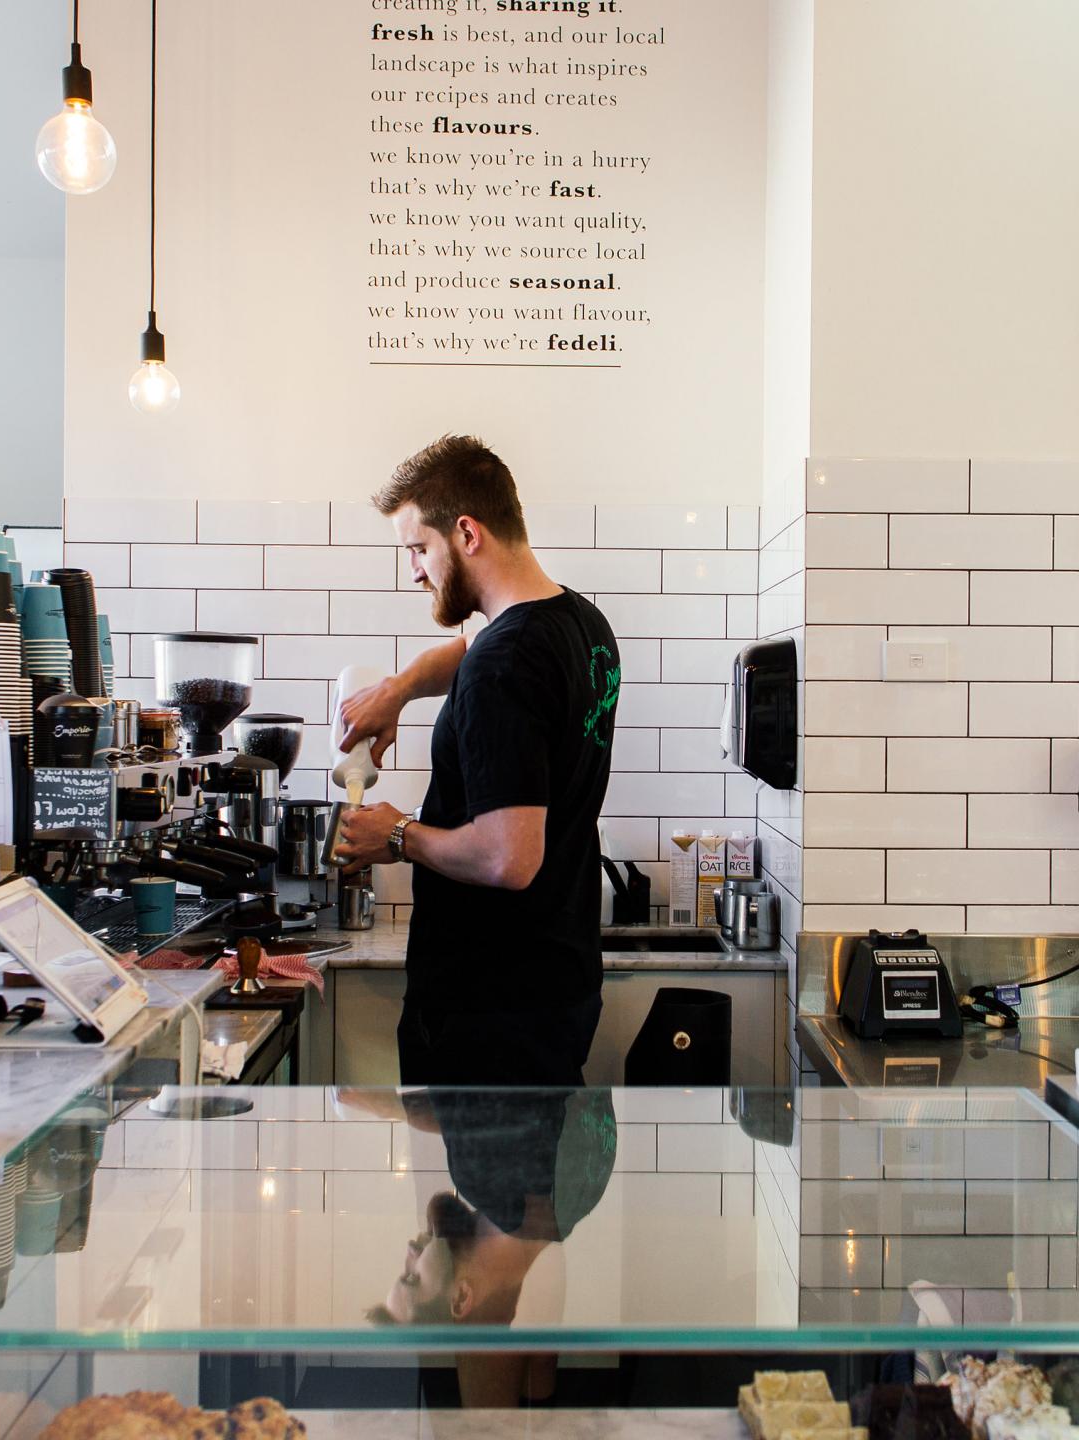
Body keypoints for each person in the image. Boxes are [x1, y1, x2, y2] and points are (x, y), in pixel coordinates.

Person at [332, 435, 621, 1086]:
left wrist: (397, 835)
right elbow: (474, 651)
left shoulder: (505, 664)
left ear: (466, 533)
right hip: (557, 983)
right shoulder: (577, 623)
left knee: (487, 1184)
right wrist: (397, 689)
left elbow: (507, 858)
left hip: (489, 1006)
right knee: (521, 1179)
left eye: (418, 548)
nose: (414, 570)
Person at [361, 1087, 618, 1407]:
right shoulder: (488, 1181)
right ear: (461, 1296)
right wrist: (391, 1106)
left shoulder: (576, 1199)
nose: (409, 1253)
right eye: (412, 1277)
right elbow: (490, 1104)